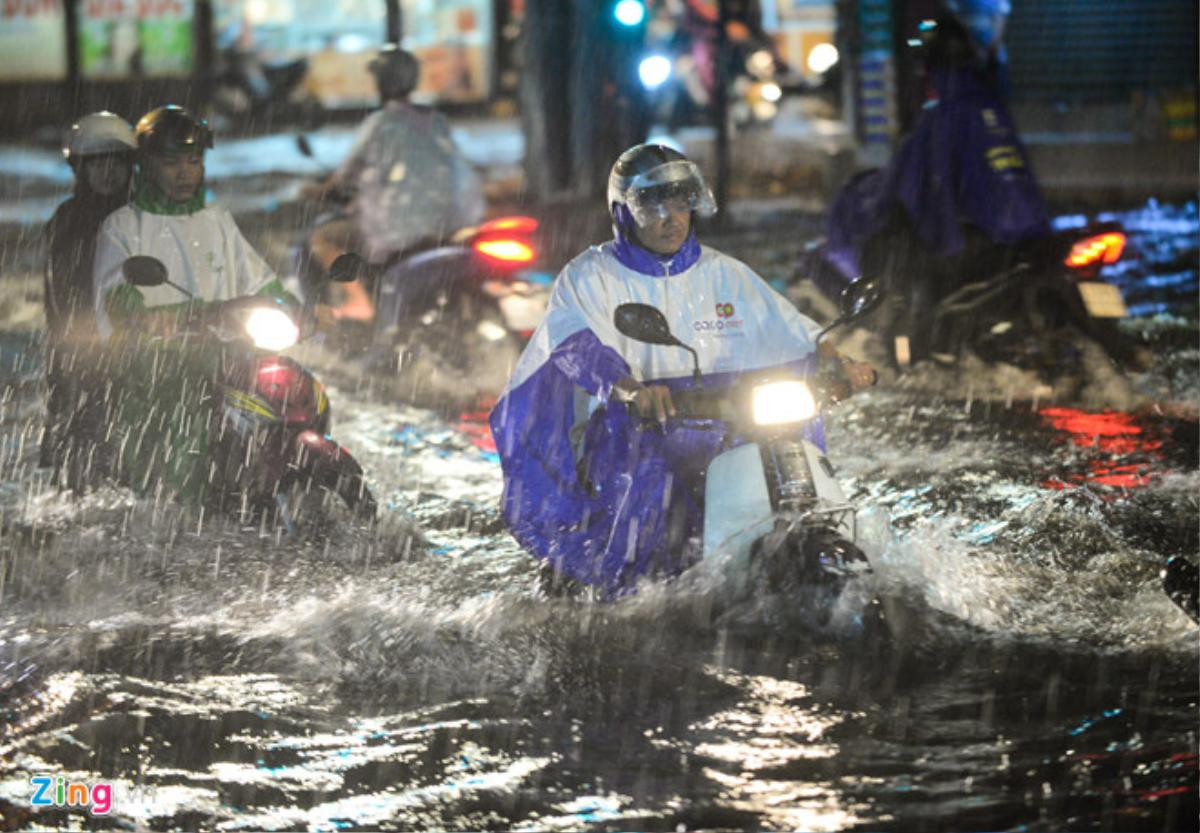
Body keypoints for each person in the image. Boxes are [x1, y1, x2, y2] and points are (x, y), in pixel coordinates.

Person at [489, 143, 875, 597]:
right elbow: (575, 344)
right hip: (637, 432)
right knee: (647, 508)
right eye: (653, 206)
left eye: (680, 203)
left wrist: (839, 362)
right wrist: (631, 390)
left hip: (731, 427)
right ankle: (644, 601)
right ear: (623, 212)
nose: (671, 218)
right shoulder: (590, 277)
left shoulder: (726, 274)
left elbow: (793, 331)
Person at [90, 104, 294, 500]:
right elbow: (117, 298)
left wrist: (300, 307)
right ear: (146, 164)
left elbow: (261, 278)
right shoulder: (122, 228)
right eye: (171, 162)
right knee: (182, 471)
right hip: (157, 373)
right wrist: (153, 319)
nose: (185, 172)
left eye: (194, 160)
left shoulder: (217, 220)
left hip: (228, 358)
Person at [303, 44, 484, 321]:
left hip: (398, 227)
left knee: (323, 237)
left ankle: (358, 301)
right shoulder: (436, 121)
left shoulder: (380, 123)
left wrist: (316, 191)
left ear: (380, 82)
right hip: (449, 222)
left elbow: (345, 176)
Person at [40, 111, 136, 472]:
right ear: (81, 170)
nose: (109, 173)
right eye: (98, 164)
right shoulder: (67, 220)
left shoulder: (142, 215)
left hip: (135, 339)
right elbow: (61, 291)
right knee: (74, 429)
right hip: (81, 347)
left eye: (117, 163)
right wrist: (83, 337)